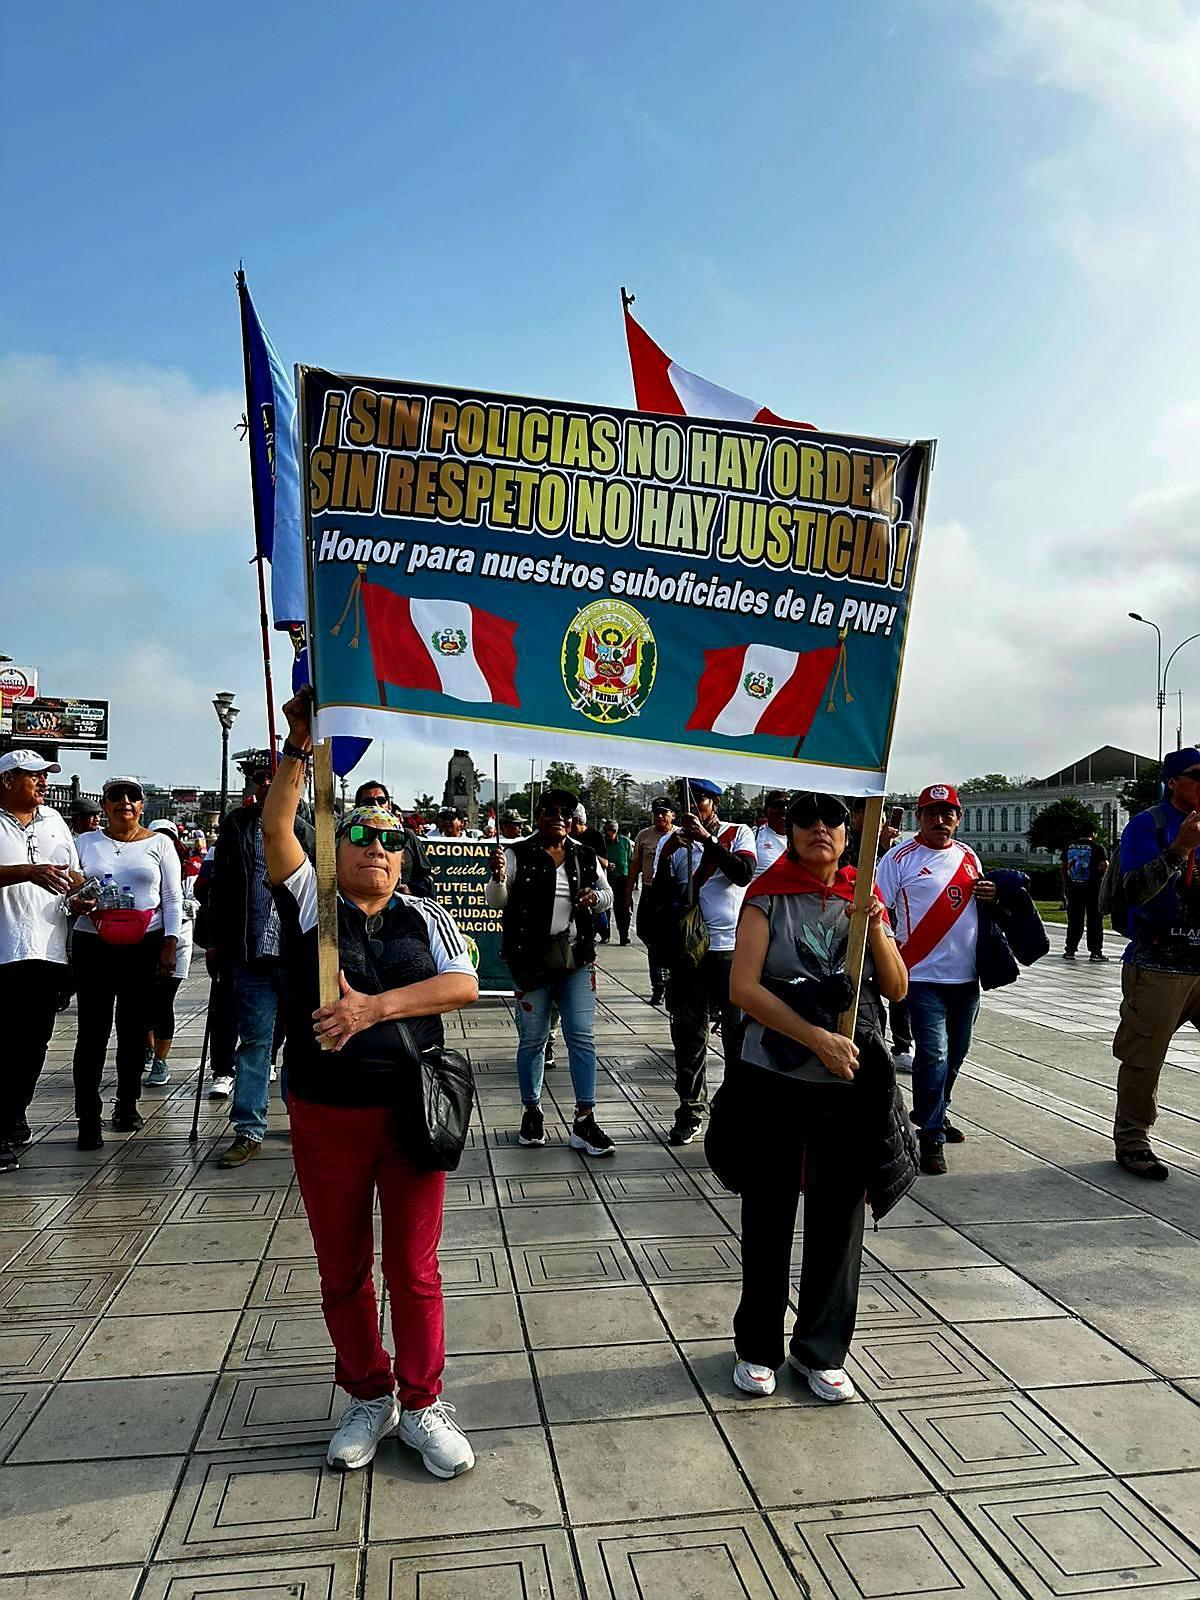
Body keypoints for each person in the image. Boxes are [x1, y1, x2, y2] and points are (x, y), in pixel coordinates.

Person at [262, 688, 479, 1476]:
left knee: (414, 1269)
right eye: (359, 833)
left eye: (390, 839)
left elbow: (461, 985)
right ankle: (368, 1392)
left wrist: (373, 1010)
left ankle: (422, 1403)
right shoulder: (310, 899)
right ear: (338, 844)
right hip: (325, 1114)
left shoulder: (426, 917)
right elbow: (277, 828)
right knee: (342, 1268)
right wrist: (296, 745)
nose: (376, 848)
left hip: (412, 1113)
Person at [727, 791, 909, 1400]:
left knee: (839, 1213)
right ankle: (757, 1345)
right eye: (805, 820)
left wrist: (874, 922)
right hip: (774, 1077)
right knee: (769, 1210)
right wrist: (815, 1038)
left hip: (847, 1083)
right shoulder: (767, 894)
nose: (819, 829)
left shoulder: (864, 895)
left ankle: (821, 1347)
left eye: (832, 818)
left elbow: (898, 986)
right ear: (790, 828)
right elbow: (743, 989)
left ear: (850, 826)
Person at [875, 784, 997, 1176]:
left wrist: (992, 894)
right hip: (922, 975)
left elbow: (978, 903)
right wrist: (890, 956)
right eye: (931, 813)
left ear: (957, 819)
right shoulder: (899, 859)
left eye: (948, 814)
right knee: (935, 1053)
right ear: (919, 817)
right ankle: (930, 1136)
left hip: (966, 977)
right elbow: (879, 909)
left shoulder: (968, 855)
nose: (940, 821)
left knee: (956, 1054)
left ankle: (934, 1112)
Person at [486, 788, 615, 1155]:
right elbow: (496, 901)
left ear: (573, 820)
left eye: (566, 812)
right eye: (550, 811)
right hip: (530, 962)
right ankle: (531, 1110)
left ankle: (585, 1118)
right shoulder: (515, 854)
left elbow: (605, 894)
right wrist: (498, 878)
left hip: (575, 959)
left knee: (581, 1036)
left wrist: (596, 898)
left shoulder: (584, 855)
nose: (558, 817)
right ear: (538, 816)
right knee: (533, 1039)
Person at [207, 758, 313, 1168]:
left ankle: (301, 1120)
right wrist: (216, 940)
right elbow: (220, 886)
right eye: (262, 778)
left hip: (297, 956)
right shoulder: (237, 825)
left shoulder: (313, 828)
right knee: (255, 1042)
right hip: (250, 953)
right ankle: (249, 1129)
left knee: (304, 1041)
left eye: (278, 776)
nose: (270, 783)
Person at [72, 776, 182, 1148]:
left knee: (134, 1030)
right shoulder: (84, 843)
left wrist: (170, 942)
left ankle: (128, 1103)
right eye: (115, 797)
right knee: (92, 1032)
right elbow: (70, 889)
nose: (124, 802)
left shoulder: (161, 845)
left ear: (142, 805)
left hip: (145, 943)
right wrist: (78, 901)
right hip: (94, 943)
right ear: (104, 805)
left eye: (132, 797)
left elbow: (172, 898)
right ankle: (88, 1117)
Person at [1110, 746, 1200, 1180]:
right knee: (1144, 1056)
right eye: (1197, 775)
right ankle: (1132, 1139)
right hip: (1159, 965)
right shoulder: (1150, 825)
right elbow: (1134, 889)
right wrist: (1179, 849)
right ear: (1173, 781)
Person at [655, 779, 756, 1145]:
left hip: (731, 949)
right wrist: (668, 857)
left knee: (736, 1035)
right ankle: (690, 1108)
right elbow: (659, 895)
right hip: (689, 951)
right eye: (688, 800)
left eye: (700, 800)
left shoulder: (738, 833)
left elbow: (742, 873)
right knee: (688, 1031)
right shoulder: (672, 842)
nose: (693, 806)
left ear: (714, 802)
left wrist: (707, 841)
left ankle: (736, 1110)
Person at [0, 751, 81, 1168]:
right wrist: (27, 872)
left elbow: (73, 873)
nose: (43, 784)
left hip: (47, 949)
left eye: (45, 777)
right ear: (8, 779)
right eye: (34, 777)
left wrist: (83, 894)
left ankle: (14, 1115)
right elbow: (34, 872)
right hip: (4, 949)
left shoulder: (54, 820)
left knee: (33, 1041)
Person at [843, 797, 912, 1072]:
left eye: (884, 815)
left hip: (881, 920)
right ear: (857, 816)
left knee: (895, 982)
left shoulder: (890, 848)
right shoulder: (850, 841)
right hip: (851, 919)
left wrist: (886, 849)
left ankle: (902, 1042)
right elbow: (855, 873)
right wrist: (878, 847)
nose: (881, 820)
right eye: (874, 814)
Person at [142, 820, 197, 1086]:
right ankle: (147, 1048)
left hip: (178, 944)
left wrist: (176, 906)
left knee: (163, 1002)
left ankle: (160, 1061)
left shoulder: (188, 872)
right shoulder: (145, 866)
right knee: (143, 1002)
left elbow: (196, 902)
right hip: (145, 941)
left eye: (168, 838)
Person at [629, 796, 676, 1006]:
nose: (659, 816)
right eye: (656, 812)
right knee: (651, 941)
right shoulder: (644, 836)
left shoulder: (680, 835)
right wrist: (627, 894)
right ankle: (657, 986)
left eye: (664, 812)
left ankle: (671, 984)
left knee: (674, 942)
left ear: (673, 815)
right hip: (650, 893)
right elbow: (635, 866)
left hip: (674, 895)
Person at [354, 780, 433, 897]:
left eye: (381, 801)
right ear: (357, 807)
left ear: (389, 806)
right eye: (368, 802)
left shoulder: (407, 836)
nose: (376, 805)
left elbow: (426, 877)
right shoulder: (348, 836)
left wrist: (410, 889)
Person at [1062, 828, 1109, 962]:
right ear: (1093, 834)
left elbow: (1064, 866)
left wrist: (1067, 882)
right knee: (1095, 921)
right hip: (1093, 889)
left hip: (1074, 889)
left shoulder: (1069, 846)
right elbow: (1105, 866)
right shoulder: (1098, 847)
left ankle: (1070, 950)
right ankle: (1095, 952)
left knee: (1074, 920)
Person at [602, 821, 633, 945]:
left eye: (612, 831)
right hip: (607, 879)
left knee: (623, 909)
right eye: (607, 831)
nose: (609, 834)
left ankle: (623, 936)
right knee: (605, 907)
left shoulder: (625, 842)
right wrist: (606, 864)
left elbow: (630, 861)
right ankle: (605, 934)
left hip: (622, 879)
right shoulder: (602, 843)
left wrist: (632, 881)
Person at [753, 790, 790, 878]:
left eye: (788, 806)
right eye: (778, 805)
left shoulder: (802, 840)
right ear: (766, 810)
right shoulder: (753, 835)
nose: (784, 809)